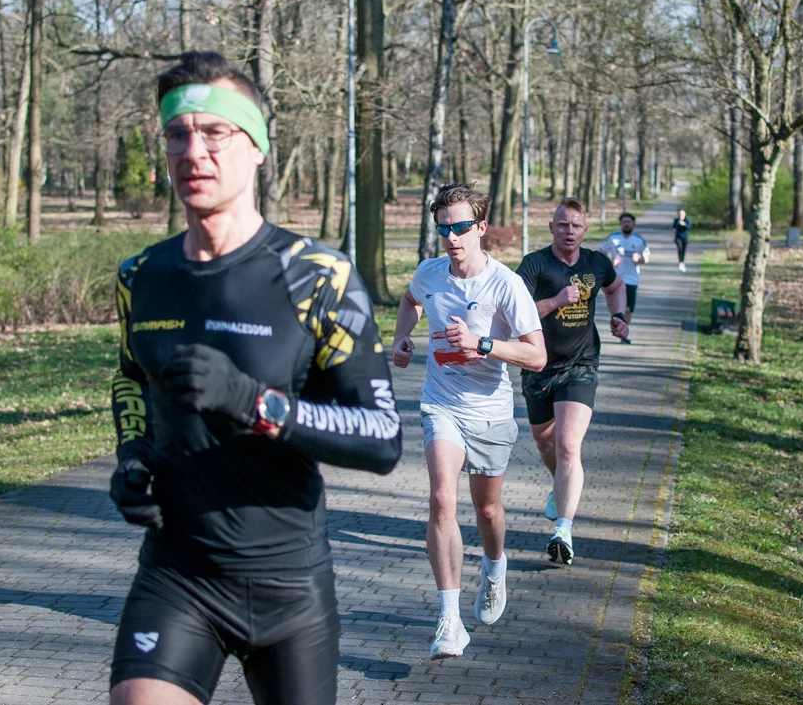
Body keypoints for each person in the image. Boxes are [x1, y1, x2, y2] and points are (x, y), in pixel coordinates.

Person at [108, 51, 402, 705]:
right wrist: (132, 457)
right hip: (177, 573)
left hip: (288, 584)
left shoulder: (317, 276)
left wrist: (252, 401)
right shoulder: (140, 277)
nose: (194, 152)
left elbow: (382, 437)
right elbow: (131, 379)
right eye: (178, 134)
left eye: (215, 132)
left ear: (258, 147)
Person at [391, 182, 546, 659]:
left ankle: (495, 567)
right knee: (442, 498)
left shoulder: (505, 284)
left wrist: (482, 344)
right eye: (443, 229)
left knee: (487, 510)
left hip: (490, 411)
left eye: (460, 227)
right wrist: (402, 339)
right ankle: (450, 620)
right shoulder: (430, 272)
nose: (451, 237)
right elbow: (410, 301)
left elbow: (537, 355)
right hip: (441, 402)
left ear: (481, 227)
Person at [516, 198, 629, 567]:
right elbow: (514, 314)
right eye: (563, 225)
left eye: (576, 226)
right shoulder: (534, 264)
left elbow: (616, 286)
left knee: (568, 446)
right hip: (537, 365)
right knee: (545, 442)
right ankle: (560, 486)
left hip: (581, 365)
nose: (569, 231)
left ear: (585, 230)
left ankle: (563, 531)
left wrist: (619, 316)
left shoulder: (596, 263)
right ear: (552, 227)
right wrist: (555, 301)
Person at [601, 213, 650, 343]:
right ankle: (619, 330)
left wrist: (639, 259)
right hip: (615, 279)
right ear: (621, 224)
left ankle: (623, 332)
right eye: (624, 222)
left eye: (629, 222)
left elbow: (646, 258)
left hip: (632, 279)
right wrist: (611, 262)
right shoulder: (613, 238)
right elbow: (601, 252)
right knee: (617, 308)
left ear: (633, 224)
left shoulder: (639, 240)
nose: (626, 224)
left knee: (628, 309)